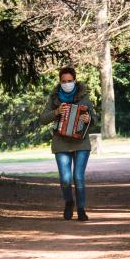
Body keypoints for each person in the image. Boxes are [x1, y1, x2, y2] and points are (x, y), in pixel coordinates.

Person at [39, 67, 96, 221]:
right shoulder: (54, 97)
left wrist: (88, 119)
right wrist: (56, 112)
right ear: (60, 82)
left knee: (78, 177)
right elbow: (43, 119)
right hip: (61, 142)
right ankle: (69, 202)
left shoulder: (84, 96)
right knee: (65, 179)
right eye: (64, 81)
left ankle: (81, 209)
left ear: (75, 81)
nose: (67, 84)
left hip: (81, 143)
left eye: (69, 81)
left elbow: (94, 120)